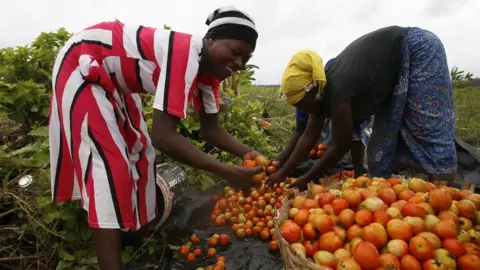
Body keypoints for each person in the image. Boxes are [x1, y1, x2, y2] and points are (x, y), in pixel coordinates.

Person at [49, 6, 263, 269]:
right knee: (109, 165)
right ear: (212, 39)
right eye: (235, 52)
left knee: (140, 153)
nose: (239, 64)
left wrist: (248, 153)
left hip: (118, 84)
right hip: (83, 63)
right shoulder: (185, 52)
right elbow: (164, 136)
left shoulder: (210, 76)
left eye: (245, 58)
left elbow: (211, 130)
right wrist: (228, 171)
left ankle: (137, 237)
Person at [267, 26, 457, 189]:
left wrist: (306, 178)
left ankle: (445, 193)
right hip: (390, 76)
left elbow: (341, 146)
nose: (303, 109)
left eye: (301, 103)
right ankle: (394, 198)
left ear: (312, 88)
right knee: (380, 149)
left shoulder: (337, 89)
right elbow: (308, 135)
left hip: (418, 51)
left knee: (427, 127)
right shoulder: (321, 91)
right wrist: (282, 173)